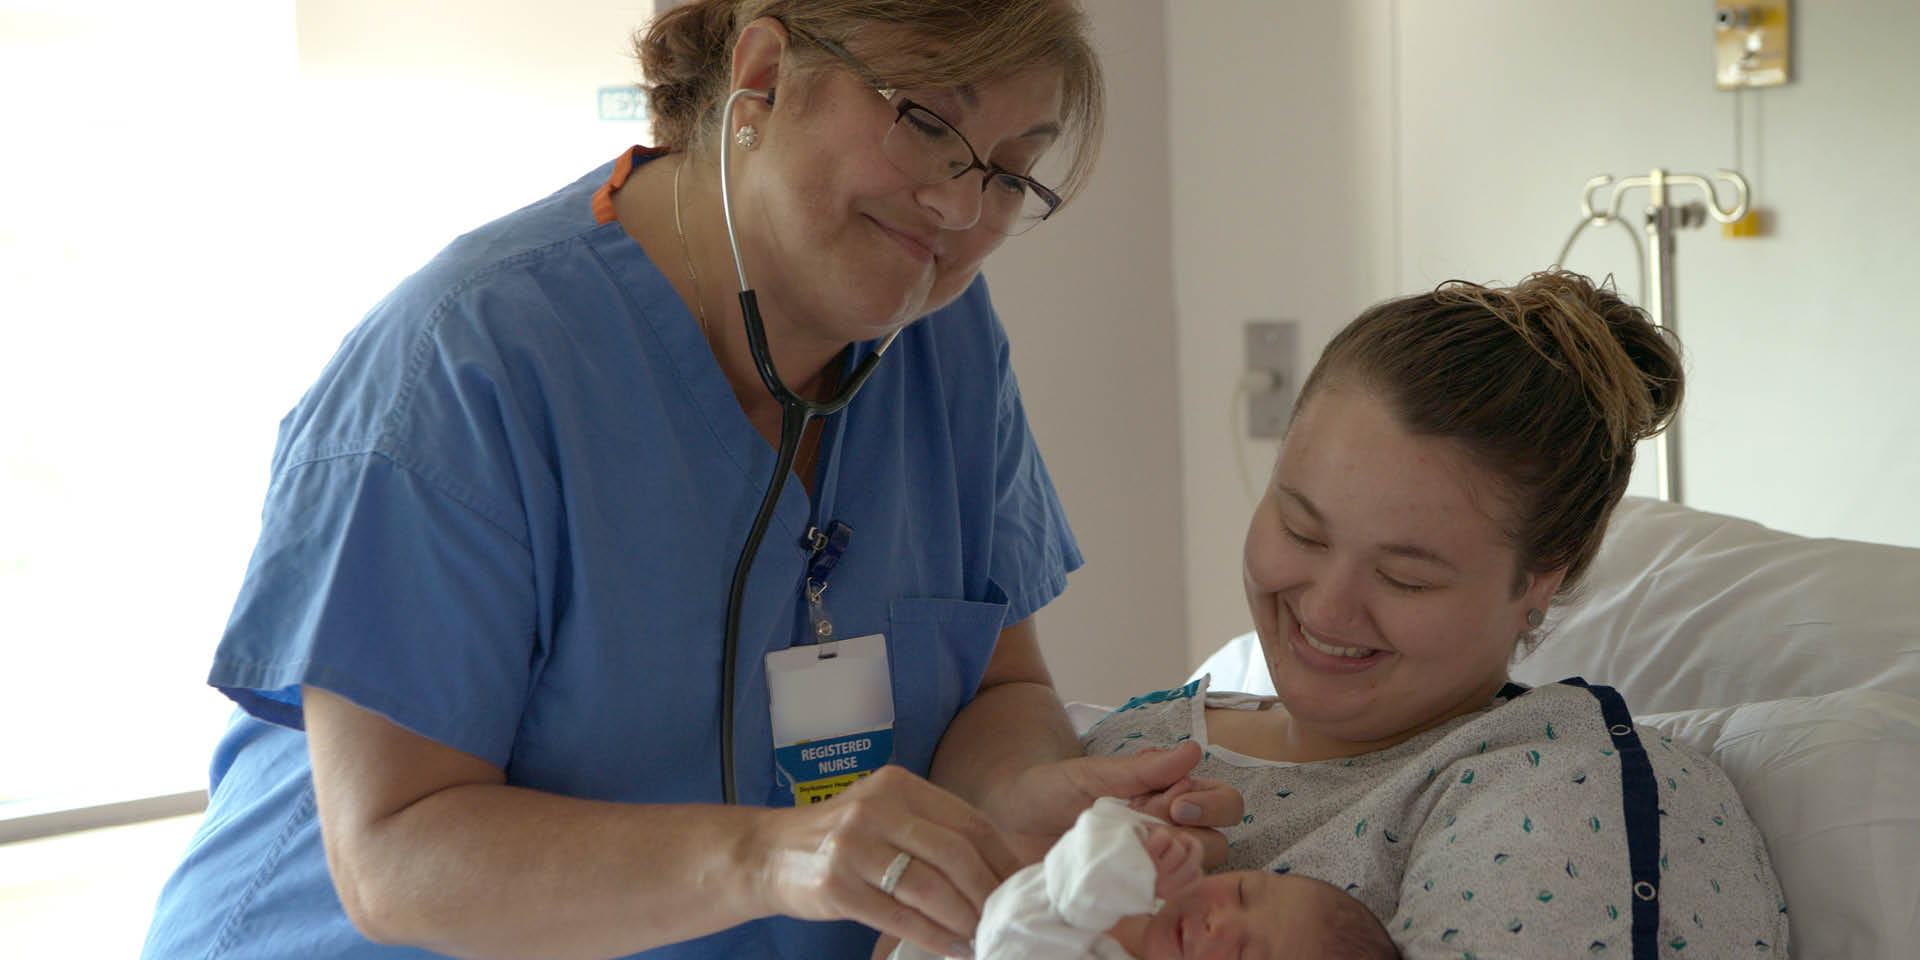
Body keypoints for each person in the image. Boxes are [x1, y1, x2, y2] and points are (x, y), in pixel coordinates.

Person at [139, 2, 1241, 958]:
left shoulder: (938, 346)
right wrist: (768, 856)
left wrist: (1016, 795)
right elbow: (395, 856)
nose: (963, 208)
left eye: (1009, 170)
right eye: (928, 123)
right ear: (763, 76)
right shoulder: (467, 365)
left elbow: (1001, 690)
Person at [1082, 271, 1790, 956]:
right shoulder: (1133, 747)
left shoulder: (1569, 796)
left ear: (1544, 575)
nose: (1326, 607)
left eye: (1405, 577)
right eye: (1302, 530)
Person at [888, 796, 1398, 959]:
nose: (1218, 919)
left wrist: (1106, 884)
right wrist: (1145, 849)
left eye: (1245, 956)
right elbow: (1103, 816)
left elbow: (1007, 938)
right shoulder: (1153, 884)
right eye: (1242, 890)